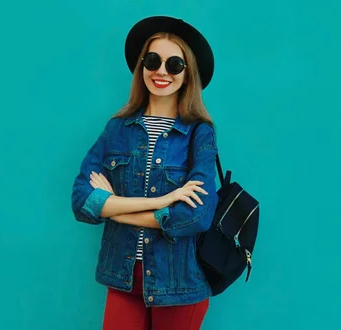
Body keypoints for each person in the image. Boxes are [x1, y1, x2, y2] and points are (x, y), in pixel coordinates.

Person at [71, 15, 219, 330]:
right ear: (141, 67)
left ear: (187, 74)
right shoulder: (116, 129)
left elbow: (197, 215)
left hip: (178, 284)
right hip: (123, 277)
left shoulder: (200, 134)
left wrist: (114, 208)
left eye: (174, 64)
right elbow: (82, 201)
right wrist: (165, 200)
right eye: (152, 60)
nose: (161, 71)